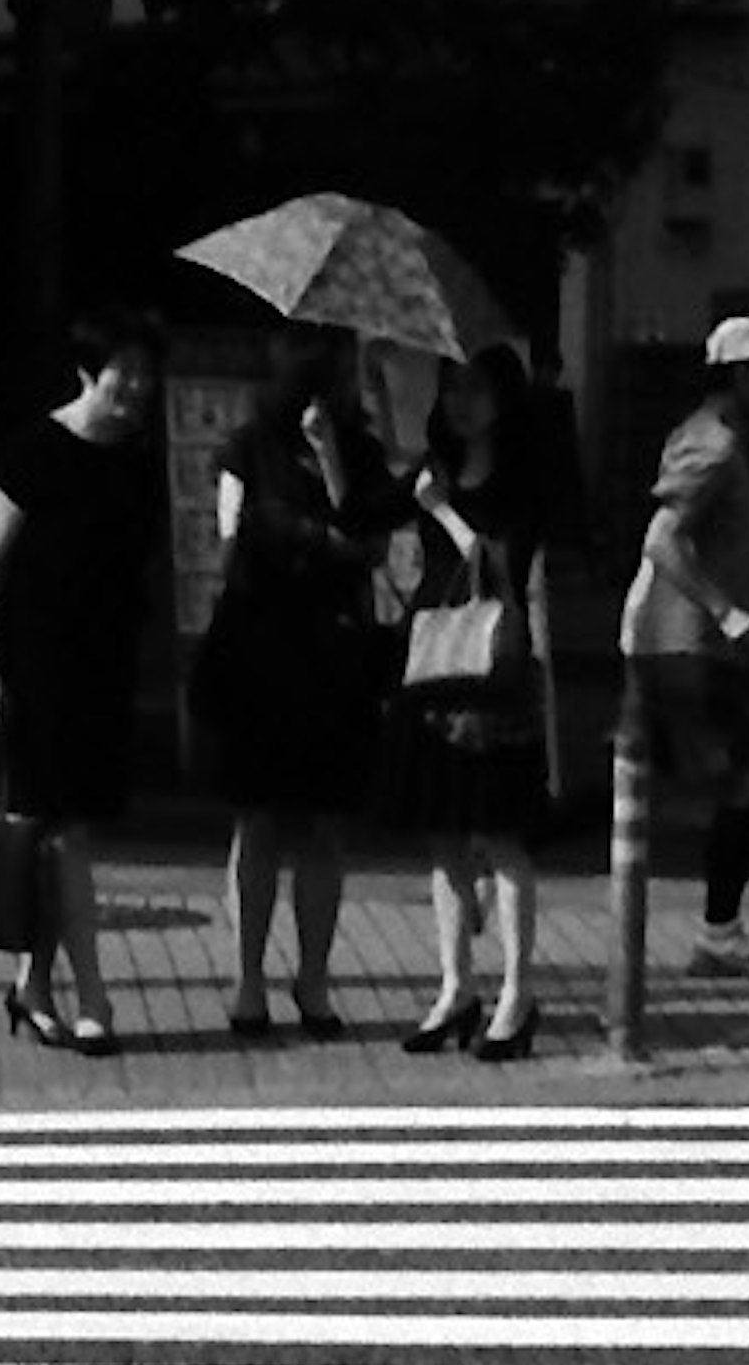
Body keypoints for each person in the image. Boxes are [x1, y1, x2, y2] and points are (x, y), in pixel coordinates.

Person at [0, 303, 169, 1058]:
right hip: (36, 665)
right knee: (64, 836)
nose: (137, 389)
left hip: (102, 664)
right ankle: (93, 998)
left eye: (147, 376)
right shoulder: (35, 451)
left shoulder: (135, 457)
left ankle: (32, 986)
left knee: (54, 841)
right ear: (90, 372)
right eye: (125, 374)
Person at [191, 329, 391, 1041]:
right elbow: (231, 543)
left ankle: (313, 979)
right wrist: (316, 540)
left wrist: (334, 461)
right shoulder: (247, 449)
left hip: (334, 654)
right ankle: (249, 979)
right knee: (260, 819)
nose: (339, 387)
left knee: (324, 826)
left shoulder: (361, 452)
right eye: (331, 371)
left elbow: (371, 544)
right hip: (264, 650)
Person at [386, 336, 562, 1064]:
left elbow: (500, 565)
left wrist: (447, 513)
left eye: (475, 391)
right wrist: (330, 442)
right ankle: (456, 986)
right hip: (433, 666)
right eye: (451, 389)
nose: (459, 402)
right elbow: (359, 516)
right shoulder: (435, 471)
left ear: (502, 403)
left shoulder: (520, 482)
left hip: (493, 671)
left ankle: (517, 995)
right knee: (445, 836)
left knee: (502, 838)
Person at [623, 310, 749, 976]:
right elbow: (661, 537)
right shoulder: (716, 446)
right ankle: (719, 935)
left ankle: (487, 855)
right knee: (739, 778)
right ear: (742, 375)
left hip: (674, 641)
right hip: (687, 644)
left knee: (659, 777)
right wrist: (727, 610)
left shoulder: (706, 435)